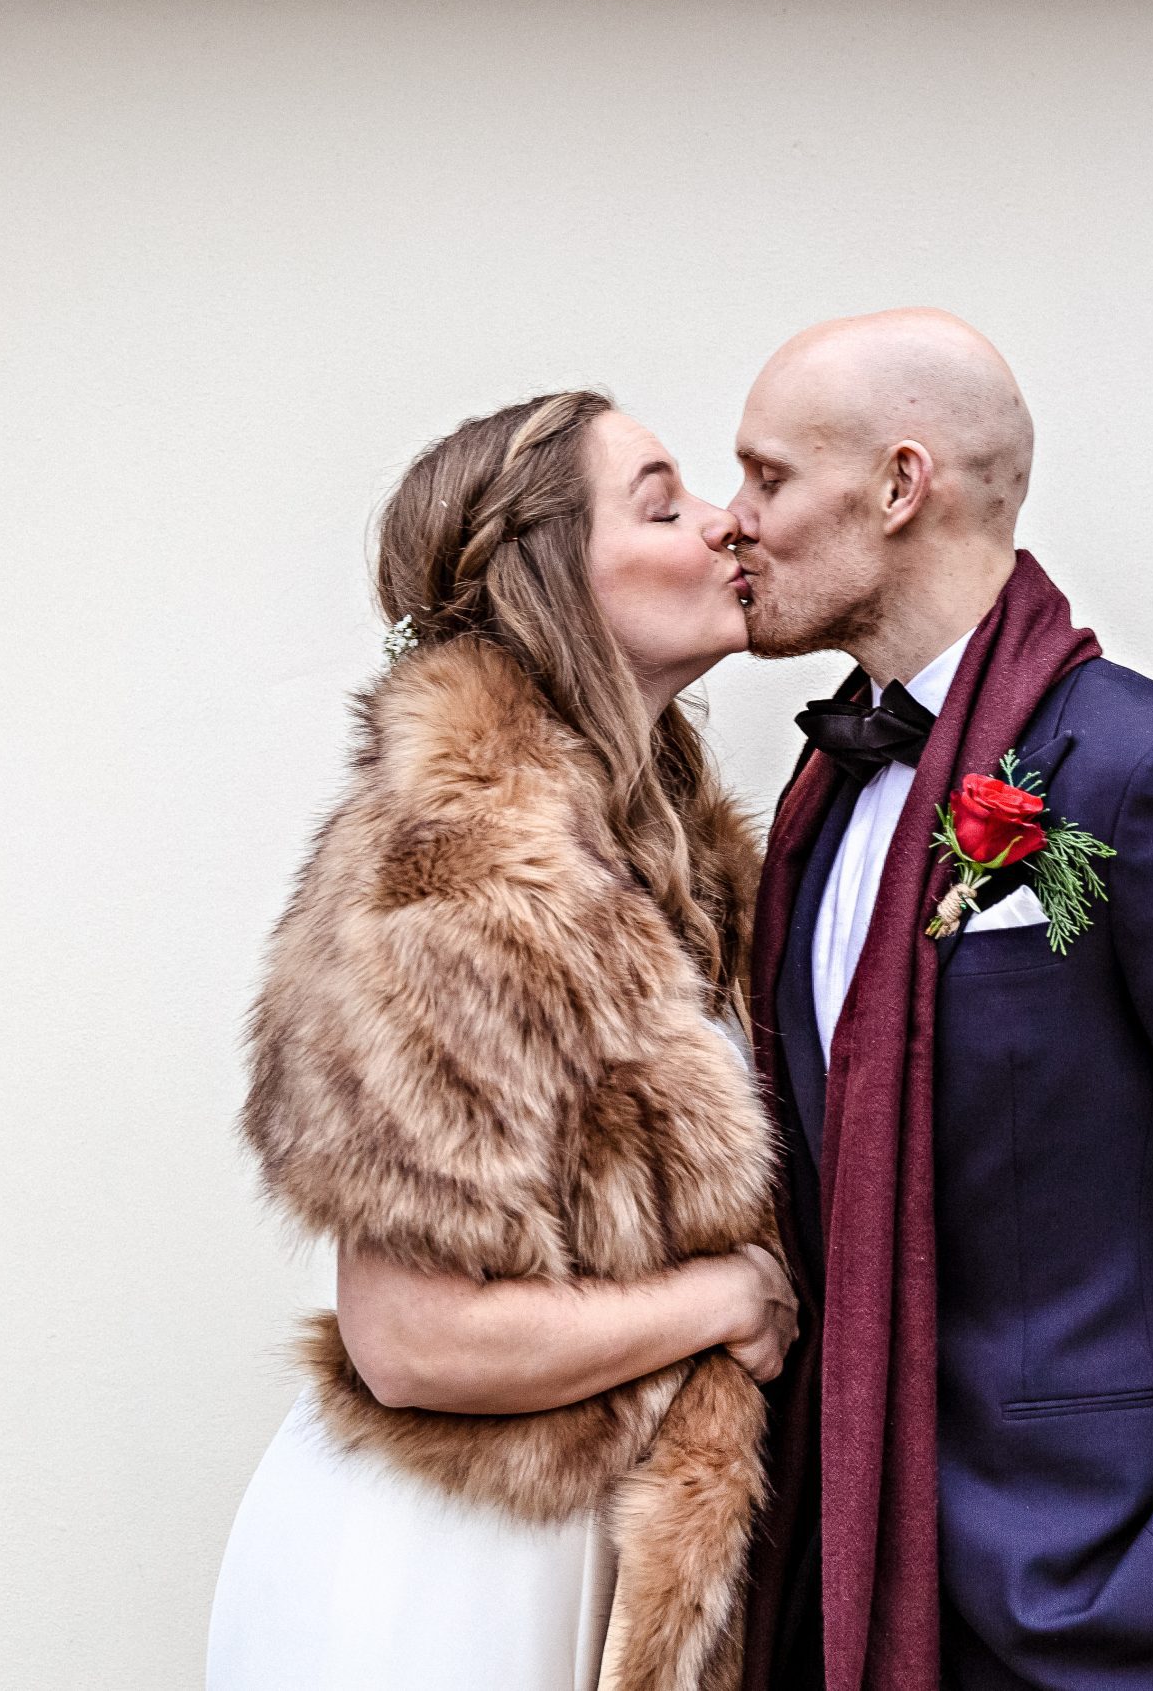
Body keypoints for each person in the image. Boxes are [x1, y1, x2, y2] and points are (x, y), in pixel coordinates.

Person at [727, 311, 1153, 1691]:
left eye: (766, 479)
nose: (729, 523)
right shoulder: (823, 799)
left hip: (1096, 1611)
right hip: (849, 1584)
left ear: (898, 485)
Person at [208, 391, 797, 1691]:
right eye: (664, 503)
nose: (725, 525)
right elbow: (411, 1340)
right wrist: (727, 1299)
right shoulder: (455, 878)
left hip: (607, 1550)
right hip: (456, 1575)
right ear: (550, 582)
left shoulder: (673, 863)